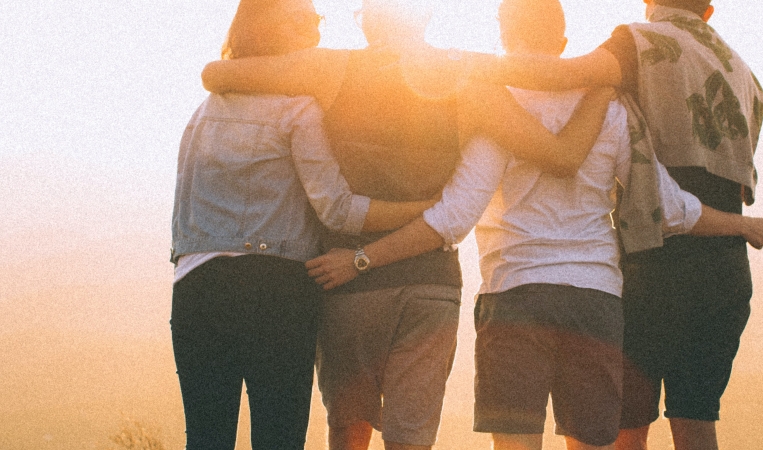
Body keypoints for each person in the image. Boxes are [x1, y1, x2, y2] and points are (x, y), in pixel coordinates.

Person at [304, 1, 763, 449]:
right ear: (564, 40)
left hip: (515, 296)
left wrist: (363, 259)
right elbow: (669, 209)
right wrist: (740, 224)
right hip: (595, 300)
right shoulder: (610, 109)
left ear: (503, 36)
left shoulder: (496, 111)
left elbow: (453, 217)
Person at [199, 2, 613, 450]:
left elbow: (216, 75)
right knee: (411, 441)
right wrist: (603, 87)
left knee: (347, 432)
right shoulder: (468, 81)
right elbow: (561, 157)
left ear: (367, 18)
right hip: (429, 283)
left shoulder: (329, 69)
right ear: (425, 16)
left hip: (347, 283)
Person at [471, 1, 763, 449]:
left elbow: (562, 75)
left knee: (626, 429)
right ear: (707, 11)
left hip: (654, 262)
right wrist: (740, 226)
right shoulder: (743, 73)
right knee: (697, 420)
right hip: (725, 267)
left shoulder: (640, 43)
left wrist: (461, 66)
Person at [169, 0, 439, 448]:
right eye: (306, 20)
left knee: (205, 438)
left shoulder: (204, 111)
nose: (317, 30)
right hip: (276, 290)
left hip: (197, 286)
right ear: (277, 31)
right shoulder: (298, 108)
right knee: (278, 438)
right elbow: (336, 209)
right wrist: (421, 208)